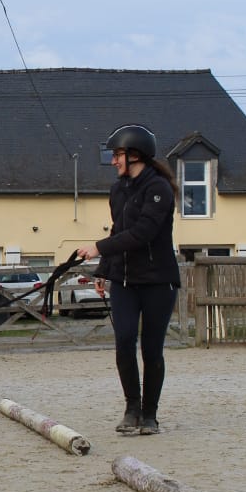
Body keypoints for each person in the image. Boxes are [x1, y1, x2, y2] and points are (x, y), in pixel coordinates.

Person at [76, 124, 180, 435]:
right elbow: (118, 230)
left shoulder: (159, 189)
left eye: (117, 155)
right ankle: (131, 408)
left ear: (135, 155)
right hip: (124, 280)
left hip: (158, 281)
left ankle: (150, 414)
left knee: (151, 348)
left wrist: (97, 248)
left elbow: (143, 233)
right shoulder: (118, 190)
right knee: (123, 341)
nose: (113, 162)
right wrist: (104, 268)